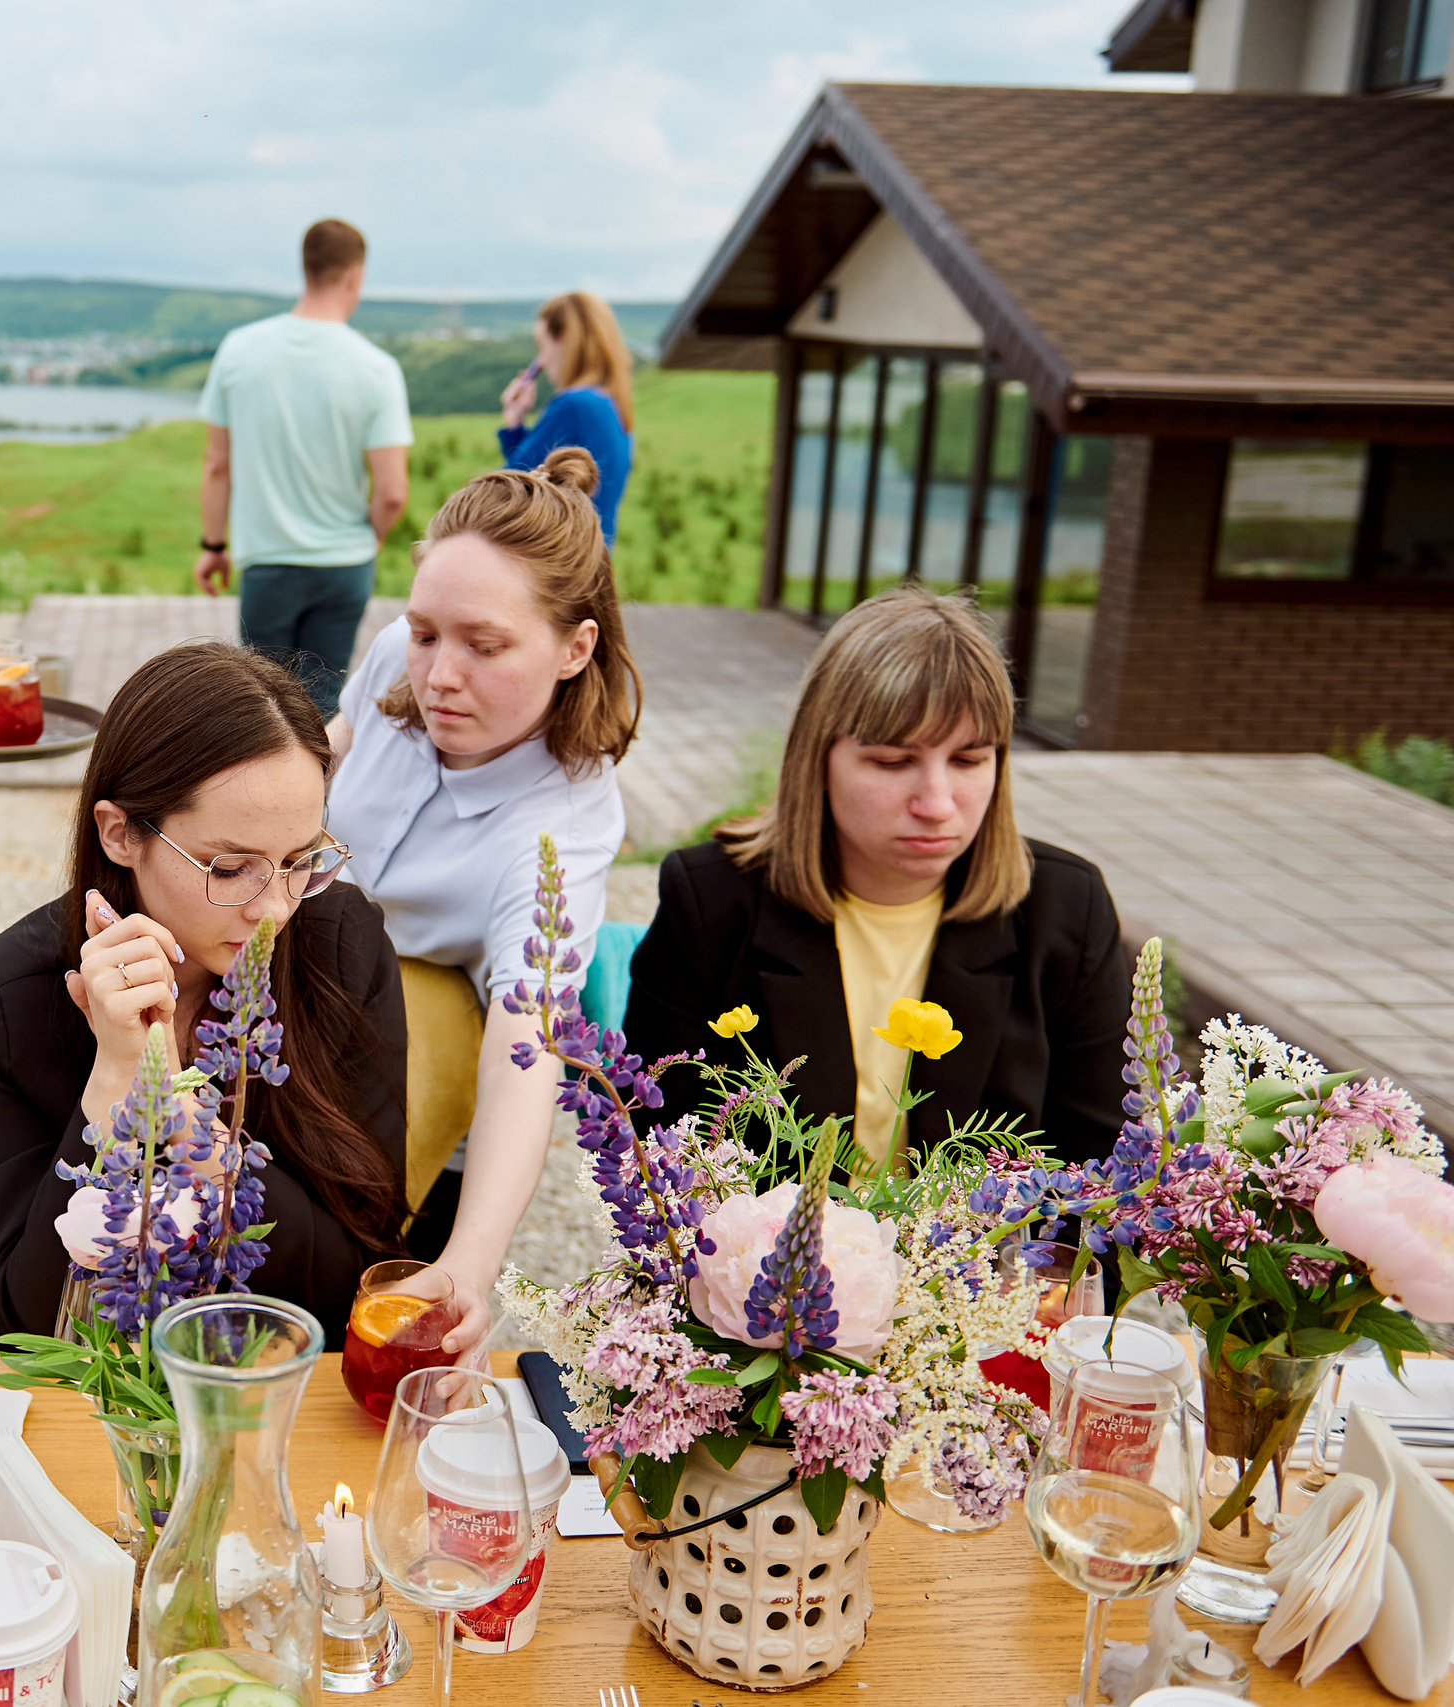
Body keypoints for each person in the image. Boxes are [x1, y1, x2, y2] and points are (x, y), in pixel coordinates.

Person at [0, 642, 409, 1341]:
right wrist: (117, 1080)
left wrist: (192, 1134)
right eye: (230, 868)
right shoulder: (5, 997)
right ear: (119, 833)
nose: (275, 909)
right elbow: (31, 1318)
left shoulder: (339, 945)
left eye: (299, 861)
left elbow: (368, 1270)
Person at [624, 586, 1132, 1169]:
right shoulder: (711, 902)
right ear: (817, 759)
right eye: (893, 762)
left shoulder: (1066, 909)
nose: (937, 803)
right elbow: (663, 1162)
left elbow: (1105, 1180)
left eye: (970, 760)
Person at [324, 448, 638, 1357]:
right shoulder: (403, 654)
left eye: (484, 645)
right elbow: (336, 742)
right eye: (426, 633)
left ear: (575, 647)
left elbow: (527, 1038)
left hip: (423, 1086)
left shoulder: (564, 825)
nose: (439, 675)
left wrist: (473, 1262)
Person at [193, 219, 412, 720]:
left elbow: (217, 464)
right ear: (355, 276)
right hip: (345, 565)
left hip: (268, 563)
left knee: (259, 711)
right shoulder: (376, 368)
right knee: (321, 709)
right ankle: (317, 800)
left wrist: (213, 546)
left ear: (305, 268)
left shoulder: (240, 350)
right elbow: (393, 492)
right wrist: (371, 536)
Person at [496, 293, 637, 544]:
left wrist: (512, 424)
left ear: (563, 339)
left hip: (562, 566)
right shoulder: (610, 404)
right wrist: (517, 425)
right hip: (592, 559)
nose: (541, 360)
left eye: (542, 344)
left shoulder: (576, 404)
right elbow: (537, 471)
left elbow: (511, 486)